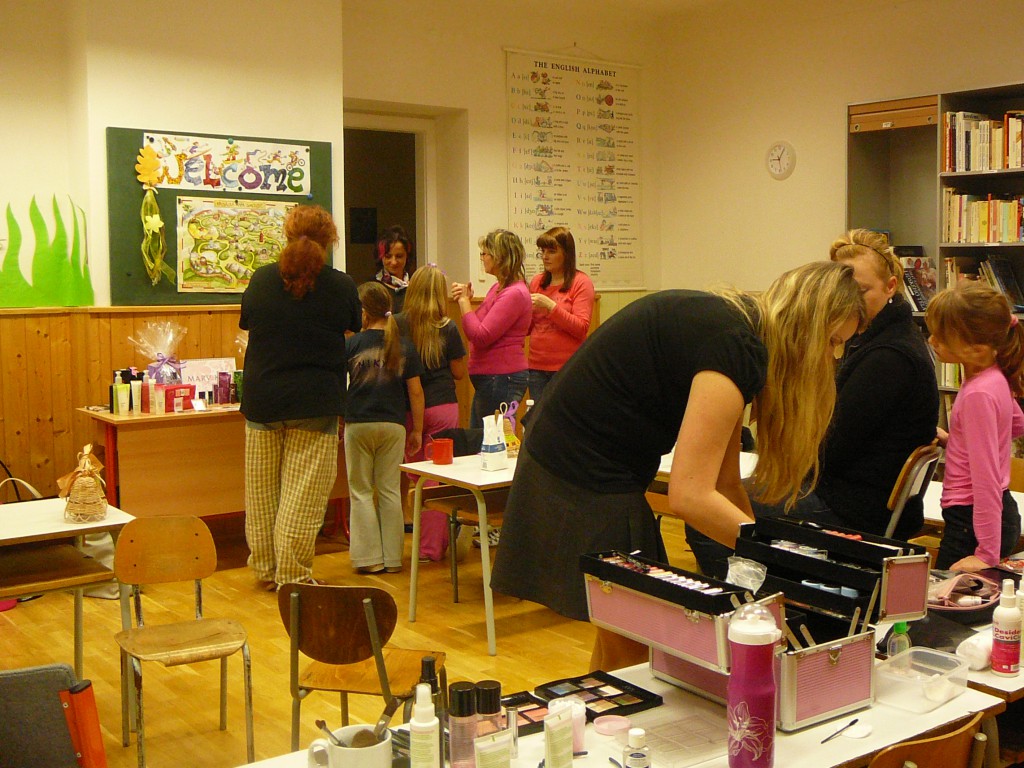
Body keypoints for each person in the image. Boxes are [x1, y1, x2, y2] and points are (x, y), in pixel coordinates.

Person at [490, 261, 864, 670]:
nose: (832, 357)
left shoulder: (736, 331)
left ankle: (600, 706)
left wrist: (760, 565)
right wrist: (774, 561)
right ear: (806, 328)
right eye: (831, 341)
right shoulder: (735, 343)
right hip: (579, 470)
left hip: (582, 460)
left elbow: (725, 484)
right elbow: (690, 495)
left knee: (624, 637)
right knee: (637, 640)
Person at [240, 204, 361, 590]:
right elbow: (352, 326)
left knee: (261, 493)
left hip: (262, 397)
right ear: (329, 241)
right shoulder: (341, 285)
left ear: (288, 235)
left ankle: (266, 569)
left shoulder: (261, 279)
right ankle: (292, 574)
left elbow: (248, 322)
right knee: (303, 495)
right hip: (315, 401)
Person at [927, 281, 1024, 571]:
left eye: (942, 338)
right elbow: (1015, 424)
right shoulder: (994, 377)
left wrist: (986, 554)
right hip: (993, 516)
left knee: (944, 595)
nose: (932, 341)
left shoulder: (978, 394)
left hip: (973, 525)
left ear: (976, 349)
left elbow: (986, 480)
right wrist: (956, 441)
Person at [345, 281, 424, 574]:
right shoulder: (403, 345)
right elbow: (416, 391)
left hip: (359, 422)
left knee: (361, 490)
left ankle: (369, 559)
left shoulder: (352, 344)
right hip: (393, 424)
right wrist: (417, 429)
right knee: (390, 490)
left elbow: (339, 384)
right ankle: (393, 559)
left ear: (364, 312)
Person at [451, 229, 532, 424]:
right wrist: (467, 300)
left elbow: (480, 336)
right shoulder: (498, 288)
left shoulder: (514, 293)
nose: (482, 258)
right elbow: (478, 325)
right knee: (482, 437)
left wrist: (464, 302)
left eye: (485, 253)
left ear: (499, 257)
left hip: (502, 377)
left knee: (491, 438)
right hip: (494, 379)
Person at [398, 264, 467, 461]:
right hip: (442, 405)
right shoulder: (448, 327)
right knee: (440, 469)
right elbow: (458, 372)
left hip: (408, 407)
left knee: (414, 470)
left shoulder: (397, 323)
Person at [528, 226, 595, 404]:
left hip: (567, 366)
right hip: (536, 366)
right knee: (538, 417)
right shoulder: (537, 281)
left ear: (566, 253)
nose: (545, 256)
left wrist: (551, 307)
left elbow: (581, 328)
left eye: (551, 251)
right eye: (542, 251)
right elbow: (528, 326)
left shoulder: (581, 282)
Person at [373, 225, 414, 313]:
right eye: (388, 256)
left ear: (407, 256)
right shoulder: (372, 289)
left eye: (399, 256)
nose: (394, 262)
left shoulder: (416, 286)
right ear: (381, 257)